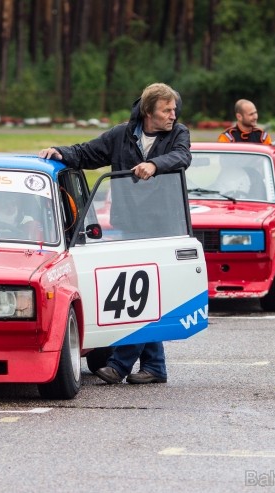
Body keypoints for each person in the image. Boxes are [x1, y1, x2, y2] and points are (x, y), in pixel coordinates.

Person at [38, 82, 191, 385]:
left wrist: (154, 165)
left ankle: (120, 365)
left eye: (174, 109)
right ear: (149, 111)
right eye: (166, 110)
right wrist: (59, 152)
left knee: (144, 296)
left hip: (163, 226)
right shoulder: (121, 134)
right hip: (131, 224)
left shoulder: (178, 134)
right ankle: (154, 367)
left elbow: (182, 157)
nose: (173, 115)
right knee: (145, 295)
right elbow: (88, 153)